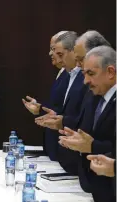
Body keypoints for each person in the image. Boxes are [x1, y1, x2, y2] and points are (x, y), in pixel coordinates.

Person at [58, 46, 116, 202]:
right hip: (96, 188)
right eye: (84, 74)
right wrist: (79, 140)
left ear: (110, 72)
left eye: (91, 74)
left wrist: (92, 146)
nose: (85, 81)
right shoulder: (96, 96)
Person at [35, 31, 89, 174]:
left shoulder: (84, 78)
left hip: (80, 155)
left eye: (60, 54)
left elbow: (84, 116)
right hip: (63, 152)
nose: (55, 57)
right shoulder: (67, 74)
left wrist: (63, 121)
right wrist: (53, 115)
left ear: (73, 51)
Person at [22, 31, 70, 160]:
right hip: (53, 145)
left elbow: (68, 109)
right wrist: (40, 108)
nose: (50, 53)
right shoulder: (62, 72)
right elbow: (57, 106)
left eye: (54, 49)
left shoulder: (74, 74)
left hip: (65, 145)